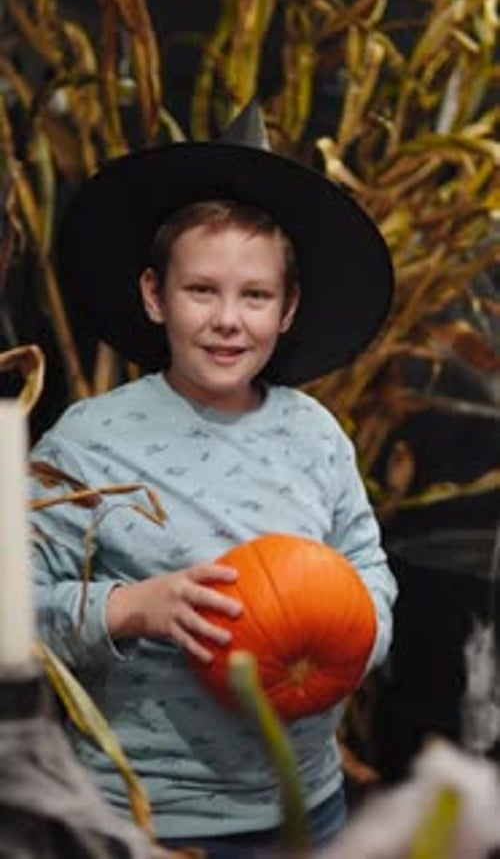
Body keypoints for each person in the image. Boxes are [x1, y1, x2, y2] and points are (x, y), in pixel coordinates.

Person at [29, 101, 398, 856]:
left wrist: (358, 631)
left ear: (287, 309)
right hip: (144, 821)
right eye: (202, 290)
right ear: (155, 296)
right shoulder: (88, 443)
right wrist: (130, 608)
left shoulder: (315, 434)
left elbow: (368, 568)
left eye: (255, 296)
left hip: (306, 807)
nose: (229, 319)